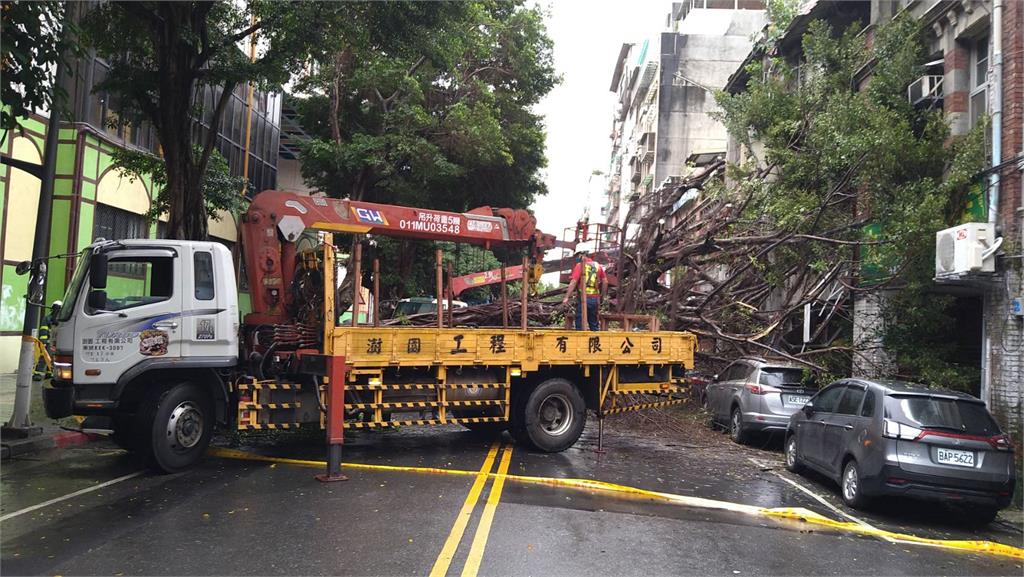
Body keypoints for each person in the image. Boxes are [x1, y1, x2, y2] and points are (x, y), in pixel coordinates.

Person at [562, 243, 607, 331]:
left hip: (583, 299)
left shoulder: (580, 266)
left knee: (580, 324)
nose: (577, 257)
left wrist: (566, 297)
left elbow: (574, 281)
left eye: (578, 255)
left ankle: (581, 344)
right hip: (595, 299)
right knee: (594, 324)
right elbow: (605, 281)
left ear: (582, 254)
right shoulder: (597, 265)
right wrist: (602, 296)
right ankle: (594, 342)